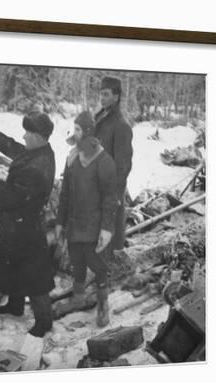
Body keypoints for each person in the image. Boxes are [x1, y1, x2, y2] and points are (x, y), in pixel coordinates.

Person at [0, 112, 56, 337]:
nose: (24, 136)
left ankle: (44, 320)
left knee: (34, 275)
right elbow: (13, 148)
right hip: (17, 222)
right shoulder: (38, 152)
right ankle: (16, 306)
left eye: (28, 132)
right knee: (14, 265)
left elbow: (11, 196)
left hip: (26, 226)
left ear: (39, 136)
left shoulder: (38, 166)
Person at [55, 111, 117, 327]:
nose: (75, 133)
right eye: (75, 128)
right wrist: (60, 222)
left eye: (79, 129)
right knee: (77, 262)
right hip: (74, 223)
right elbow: (64, 194)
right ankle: (79, 297)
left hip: (94, 226)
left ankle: (103, 304)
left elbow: (111, 199)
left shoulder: (104, 161)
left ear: (89, 132)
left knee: (98, 266)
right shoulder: (72, 158)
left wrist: (106, 229)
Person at [93, 76, 133, 253]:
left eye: (106, 94)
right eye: (101, 94)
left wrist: (113, 197)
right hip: (95, 187)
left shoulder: (121, 125)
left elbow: (123, 167)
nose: (102, 98)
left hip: (109, 192)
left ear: (116, 97)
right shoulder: (101, 117)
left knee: (108, 242)